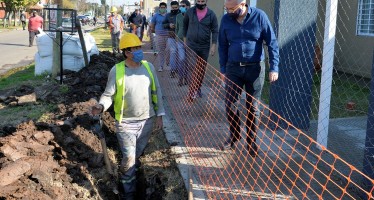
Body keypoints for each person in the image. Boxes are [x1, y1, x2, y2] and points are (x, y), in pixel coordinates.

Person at [90, 33, 165, 200]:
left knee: (137, 154)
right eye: (135, 49)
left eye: (140, 47)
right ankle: (128, 193)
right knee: (129, 158)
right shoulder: (116, 71)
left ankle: (136, 177)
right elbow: (108, 94)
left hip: (147, 120)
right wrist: (101, 106)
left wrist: (160, 114)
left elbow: (157, 91)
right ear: (126, 52)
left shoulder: (148, 68)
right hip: (126, 123)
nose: (139, 51)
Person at [218, 0, 280, 157]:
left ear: (243, 3)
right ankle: (234, 135)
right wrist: (223, 70)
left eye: (232, 8)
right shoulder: (226, 20)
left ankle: (251, 141)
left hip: (255, 69)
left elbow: (271, 43)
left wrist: (274, 67)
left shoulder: (260, 16)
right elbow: (222, 45)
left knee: (252, 106)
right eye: (227, 9)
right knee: (230, 104)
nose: (229, 12)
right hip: (233, 68)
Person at [183, 0, 218, 100]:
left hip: (204, 46)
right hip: (191, 45)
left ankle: (197, 88)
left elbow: (215, 30)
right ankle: (192, 90)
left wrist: (213, 45)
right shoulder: (190, 12)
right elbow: (185, 26)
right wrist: (185, 41)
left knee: (201, 69)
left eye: (202, 1)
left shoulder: (211, 14)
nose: (200, 3)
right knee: (192, 67)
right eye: (198, 1)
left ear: (206, 1)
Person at [162, 1, 181, 78]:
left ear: (178, 7)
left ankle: (179, 70)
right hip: (171, 37)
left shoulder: (182, 14)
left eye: (176, 7)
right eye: (173, 8)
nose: (174, 9)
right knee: (173, 53)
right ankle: (172, 70)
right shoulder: (168, 15)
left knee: (180, 54)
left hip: (181, 38)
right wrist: (169, 25)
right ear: (171, 7)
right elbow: (163, 24)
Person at [175, 0, 191, 86]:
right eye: (181, 6)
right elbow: (176, 28)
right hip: (180, 41)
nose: (182, 7)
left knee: (188, 61)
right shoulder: (178, 16)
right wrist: (176, 37)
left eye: (184, 6)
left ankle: (187, 78)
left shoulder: (192, 16)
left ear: (188, 6)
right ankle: (180, 78)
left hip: (190, 42)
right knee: (181, 60)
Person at [150, 2, 168, 72]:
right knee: (160, 51)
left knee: (169, 50)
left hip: (168, 35)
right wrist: (154, 31)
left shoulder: (168, 15)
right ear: (159, 8)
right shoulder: (156, 15)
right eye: (161, 7)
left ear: (166, 8)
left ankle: (168, 63)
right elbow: (152, 24)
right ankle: (161, 66)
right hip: (159, 35)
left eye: (164, 7)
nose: (162, 9)